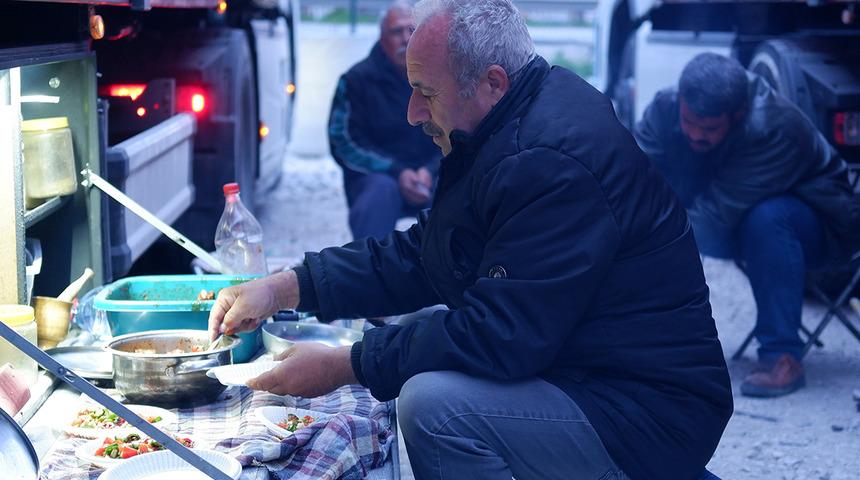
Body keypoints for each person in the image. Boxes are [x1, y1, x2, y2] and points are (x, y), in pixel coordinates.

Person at [209, 1, 733, 479]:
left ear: (492, 82)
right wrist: (284, 288)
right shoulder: (509, 128)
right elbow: (428, 256)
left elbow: (501, 336)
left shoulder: (548, 161)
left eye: (427, 93)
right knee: (417, 346)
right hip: (589, 369)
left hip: (647, 411)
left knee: (434, 406)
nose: (413, 112)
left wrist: (346, 365)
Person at [635, 53, 860, 398]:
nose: (695, 134)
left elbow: (711, 221)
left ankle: (782, 356)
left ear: (738, 114)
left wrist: (646, 236)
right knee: (640, 218)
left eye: (709, 128)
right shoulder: (663, 108)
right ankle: (646, 343)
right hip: (731, 221)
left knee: (768, 218)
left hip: (823, 230)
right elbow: (633, 183)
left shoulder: (775, 126)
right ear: (680, 99)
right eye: (689, 121)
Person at [328, 2, 440, 240]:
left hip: (431, 173)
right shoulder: (356, 80)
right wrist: (397, 172)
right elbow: (343, 142)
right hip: (380, 177)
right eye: (396, 31)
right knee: (379, 192)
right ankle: (367, 270)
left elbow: (460, 130)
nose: (405, 38)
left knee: (459, 190)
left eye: (411, 30)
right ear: (381, 38)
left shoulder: (440, 77)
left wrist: (430, 170)